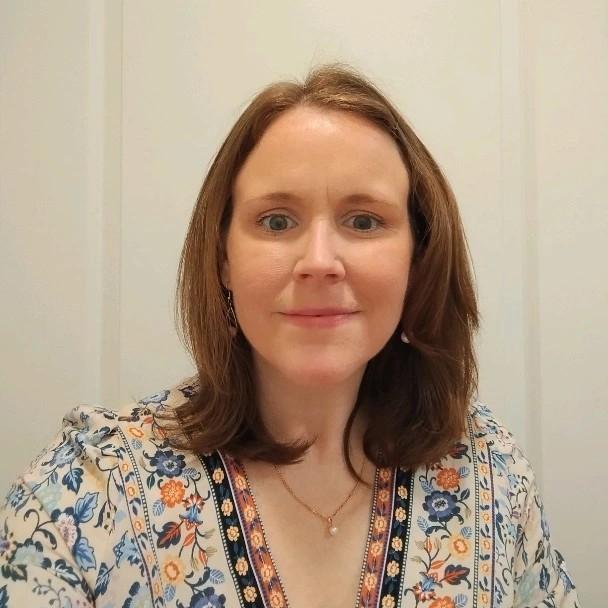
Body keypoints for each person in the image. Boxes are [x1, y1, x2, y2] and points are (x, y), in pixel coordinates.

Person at [0, 63, 579, 608]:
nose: (320, 261)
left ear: (418, 259)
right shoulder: (90, 490)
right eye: (277, 221)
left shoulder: (492, 477)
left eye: (365, 221)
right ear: (223, 256)